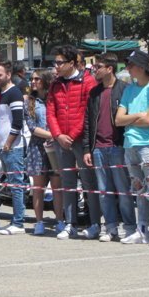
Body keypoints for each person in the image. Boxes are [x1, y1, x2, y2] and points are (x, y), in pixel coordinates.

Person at [46, 45, 100, 240]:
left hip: (80, 140)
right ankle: (70, 223)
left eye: (60, 62)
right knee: (67, 182)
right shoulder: (55, 84)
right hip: (62, 140)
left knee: (88, 181)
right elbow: (50, 111)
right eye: (56, 62)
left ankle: (95, 223)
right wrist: (59, 135)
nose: (57, 66)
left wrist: (72, 135)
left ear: (71, 63)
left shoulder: (88, 81)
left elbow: (88, 112)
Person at [83, 53, 135, 242]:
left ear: (110, 69)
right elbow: (88, 122)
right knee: (104, 191)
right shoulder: (94, 93)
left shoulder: (124, 90)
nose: (95, 70)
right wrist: (88, 148)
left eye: (99, 67)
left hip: (117, 147)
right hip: (98, 148)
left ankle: (130, 227)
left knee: (123, 190)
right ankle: (111, 227)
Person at [116, 50, 149, 245]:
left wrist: (131, 118)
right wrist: (138, 116)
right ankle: (142, 228)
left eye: (132, 64)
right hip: (130, 144)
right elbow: (118, 119)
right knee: (138, 187)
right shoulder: (129, 89)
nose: (128, 68)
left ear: (142, 67)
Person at [25, 69, 64, 235]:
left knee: (57, 186)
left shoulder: (53, 99)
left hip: (55, 147)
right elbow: (32, 127)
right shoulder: (30, 102)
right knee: (39, 187)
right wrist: (52, 135)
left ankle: (60, 220)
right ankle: (39, 221)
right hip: (38, 147)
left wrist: (57, 137)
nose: (33, 82)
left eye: (37, 79)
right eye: (32, 79)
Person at [0, 62, 27, 235]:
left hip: (13, 148)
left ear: (8, 74)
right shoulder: (1, 93)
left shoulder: (14, 93)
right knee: (10, 186)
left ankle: (18, 222)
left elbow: (18, 122)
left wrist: (8, 143)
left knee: (16, 185)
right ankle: (15, 220)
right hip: (3, 147)